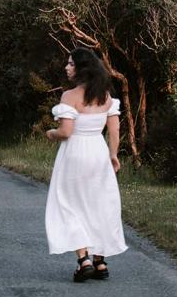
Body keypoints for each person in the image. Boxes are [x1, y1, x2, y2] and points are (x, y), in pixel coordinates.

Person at [45, 47, 128, 282]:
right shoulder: (106, 97)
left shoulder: (70, 97)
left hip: (75, 154)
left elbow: (66, 132)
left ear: (81, 69)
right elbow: (114, 129)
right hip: (98, 152)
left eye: (70, 64)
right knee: (99, 203)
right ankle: (100, 261)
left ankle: (84, 260)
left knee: (69, 204)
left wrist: (51, 133)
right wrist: (113, 155)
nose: (66, 67)